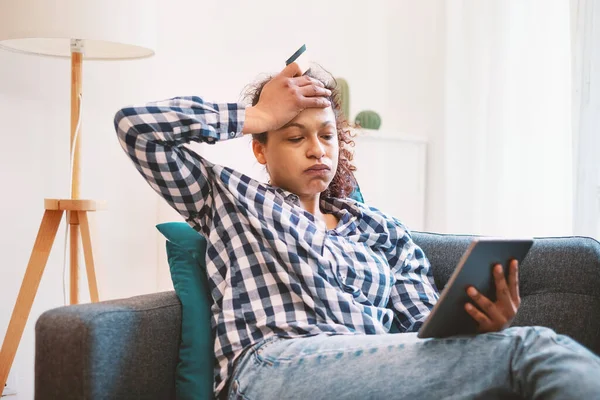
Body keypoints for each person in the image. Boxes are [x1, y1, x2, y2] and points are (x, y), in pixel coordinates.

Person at [114, 62, 600, 400]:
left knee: (511, 356)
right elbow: (136, 128)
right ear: (260, 149)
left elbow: (424, 330)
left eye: (326, 135)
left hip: (375, 365)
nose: (316, 150)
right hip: (272, 367)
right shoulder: (230, 198)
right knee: (534, 349)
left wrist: (482, 326)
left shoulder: (381, 230)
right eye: (294, 136)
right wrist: (258, 115)